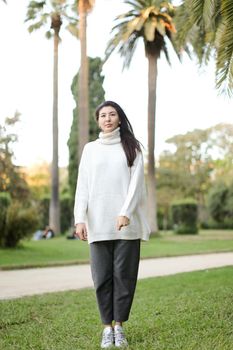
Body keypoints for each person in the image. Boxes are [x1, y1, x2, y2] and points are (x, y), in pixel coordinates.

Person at [74, 101, 151, 348]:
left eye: (112, 114)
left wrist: (125, 212)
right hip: (97, 223)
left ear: (119, 118)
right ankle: (106, 327)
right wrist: (79, 219)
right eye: (103, 115)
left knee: (124, 277)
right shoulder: (90, 150)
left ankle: (119, 326)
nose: (107, 118)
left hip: (126, 225)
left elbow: (137, 184)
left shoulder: (132, 147)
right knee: (102, 278)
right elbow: (82, 187)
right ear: (98, 120)